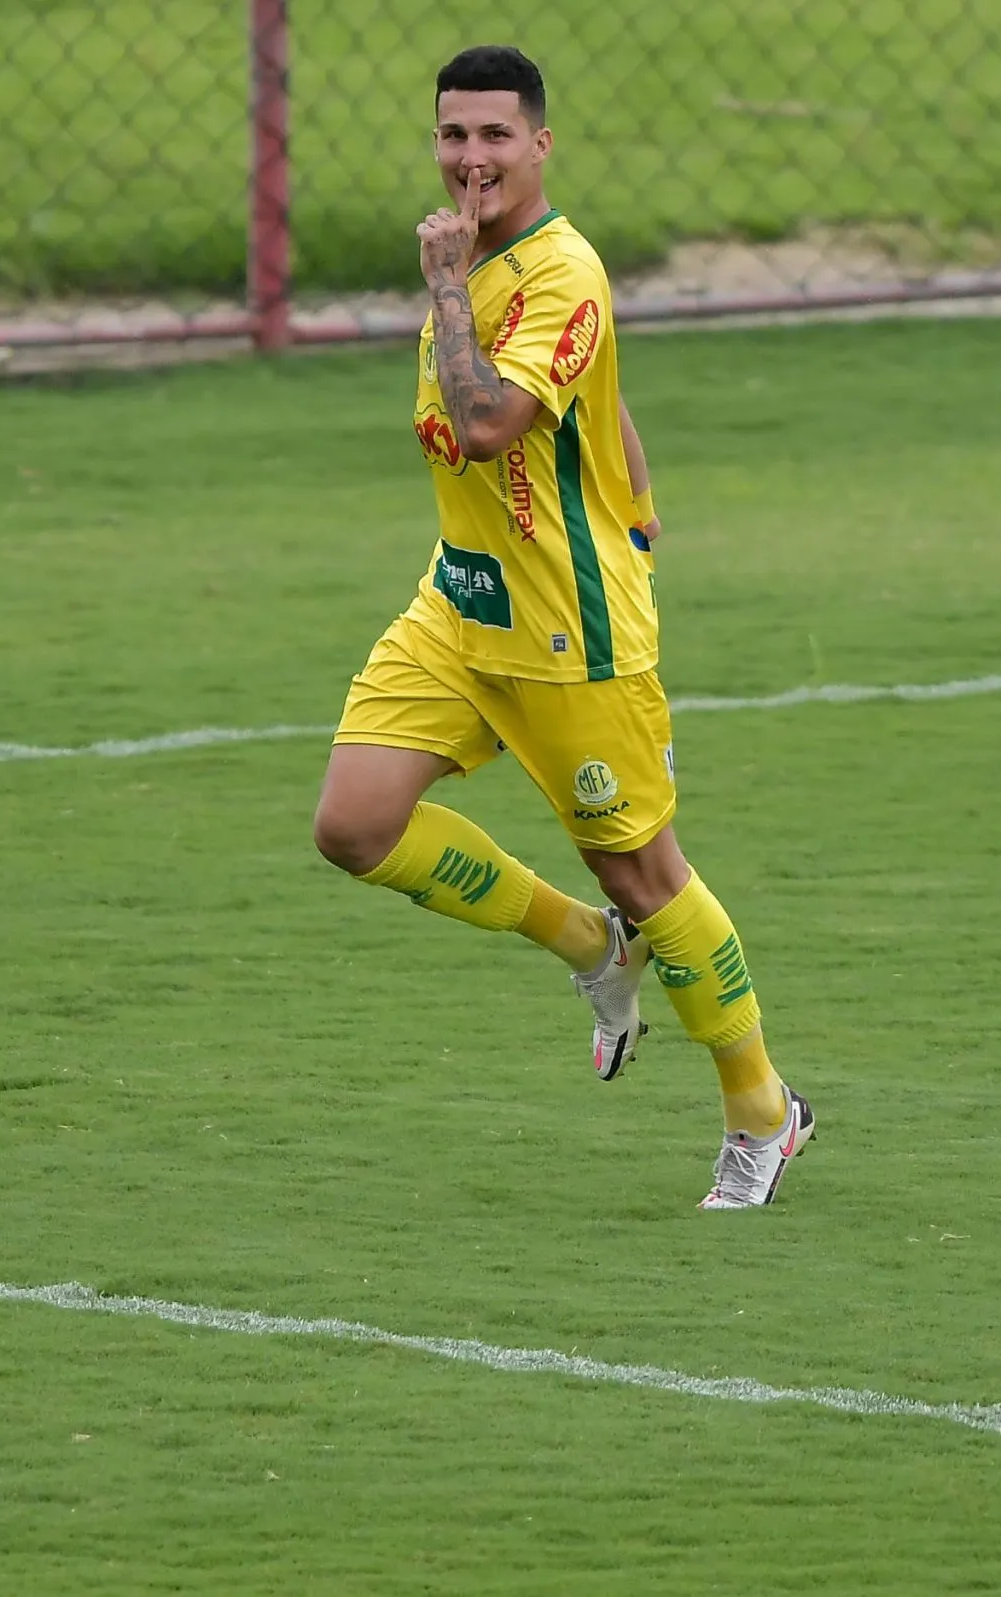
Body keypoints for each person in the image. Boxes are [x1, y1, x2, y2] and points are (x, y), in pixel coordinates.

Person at [311, 44, 813, 1209]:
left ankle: (762, 1110)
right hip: (461, 601)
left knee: (645, 869)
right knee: (353, 825)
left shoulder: (555, 269)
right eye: (452, 136)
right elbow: (601, 394)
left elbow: (487, 424)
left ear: (540, 145)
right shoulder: (480, 255)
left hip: (566, 633)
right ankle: (588, 947)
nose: (470, 159)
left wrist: (443, 280)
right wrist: (640, 504)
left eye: (494, 137)